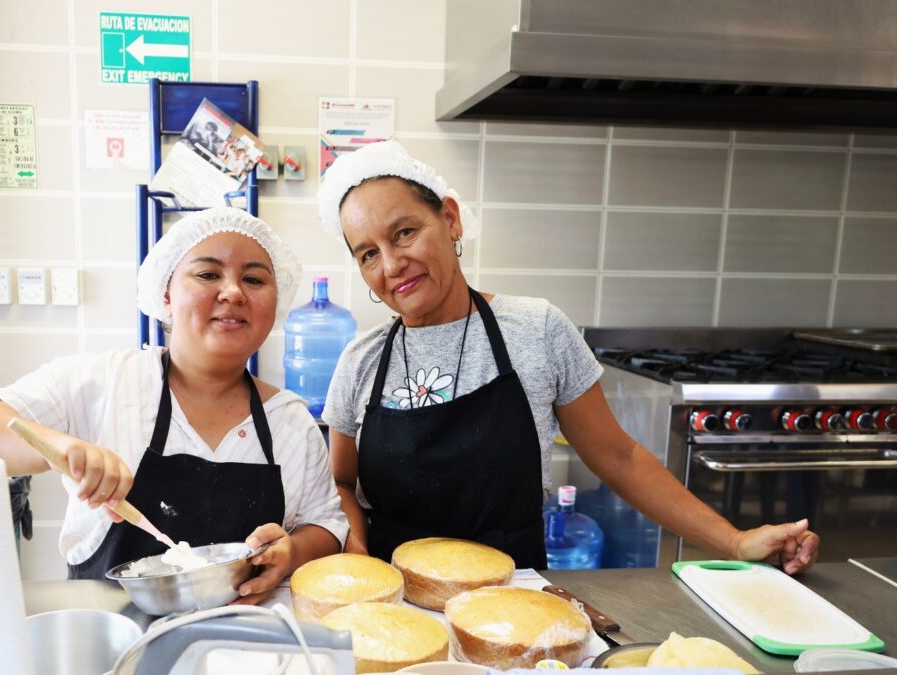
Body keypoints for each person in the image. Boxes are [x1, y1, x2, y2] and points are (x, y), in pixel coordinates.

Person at [316, 141, 819, 574]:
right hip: (395, 603)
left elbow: (619, 457)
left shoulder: (536, 330)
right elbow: (340, 482)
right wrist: (357, 554)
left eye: (404, 233)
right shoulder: (361, 361)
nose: (392, 264)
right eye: (368, 253)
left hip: (517, 601)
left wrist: (734, 542)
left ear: (450, 219)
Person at [0, 207, 347, 601]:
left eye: (254, 279)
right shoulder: (106, 382)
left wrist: (293, 550)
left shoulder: (289, 421)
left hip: (247, 637)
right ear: (166, 295)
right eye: (208, 274)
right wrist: (59, 448)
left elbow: (326, 525)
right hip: (114, 636)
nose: (233, 292)